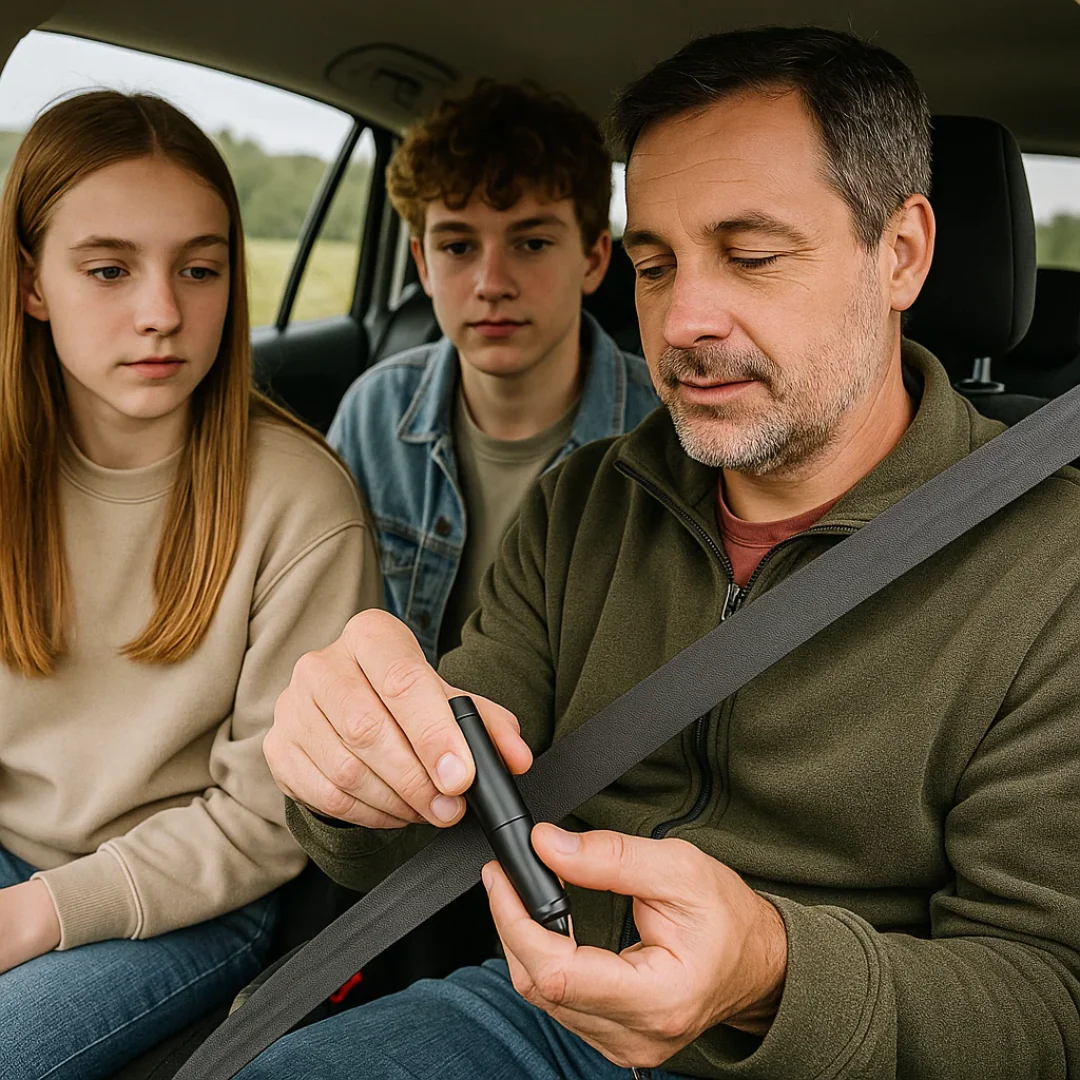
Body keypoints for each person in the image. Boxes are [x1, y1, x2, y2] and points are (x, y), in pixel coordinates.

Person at [253, 27, 1080, 1080]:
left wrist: (770, 973)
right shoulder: (587, 502)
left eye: (752, 255)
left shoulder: (1055, 563)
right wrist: (348, 773)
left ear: (903, 252)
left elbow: (1048, 1008)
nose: (683, 320)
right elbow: (420, 817)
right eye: (654, 264)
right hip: (542, 1015)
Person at [0, 91, 380, 1080]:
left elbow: (265, 819)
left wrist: (38, 913)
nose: (162, 311)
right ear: (32, 281)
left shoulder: (300, 502)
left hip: (188, 905)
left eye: (199, 270)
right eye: (110, 270)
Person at [327, 79, 658, 662]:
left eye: (530, 244)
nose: (492, 285)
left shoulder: (660, 430)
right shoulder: (374, 411)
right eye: (457, 247)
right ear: (422, 265)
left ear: (594, 258)